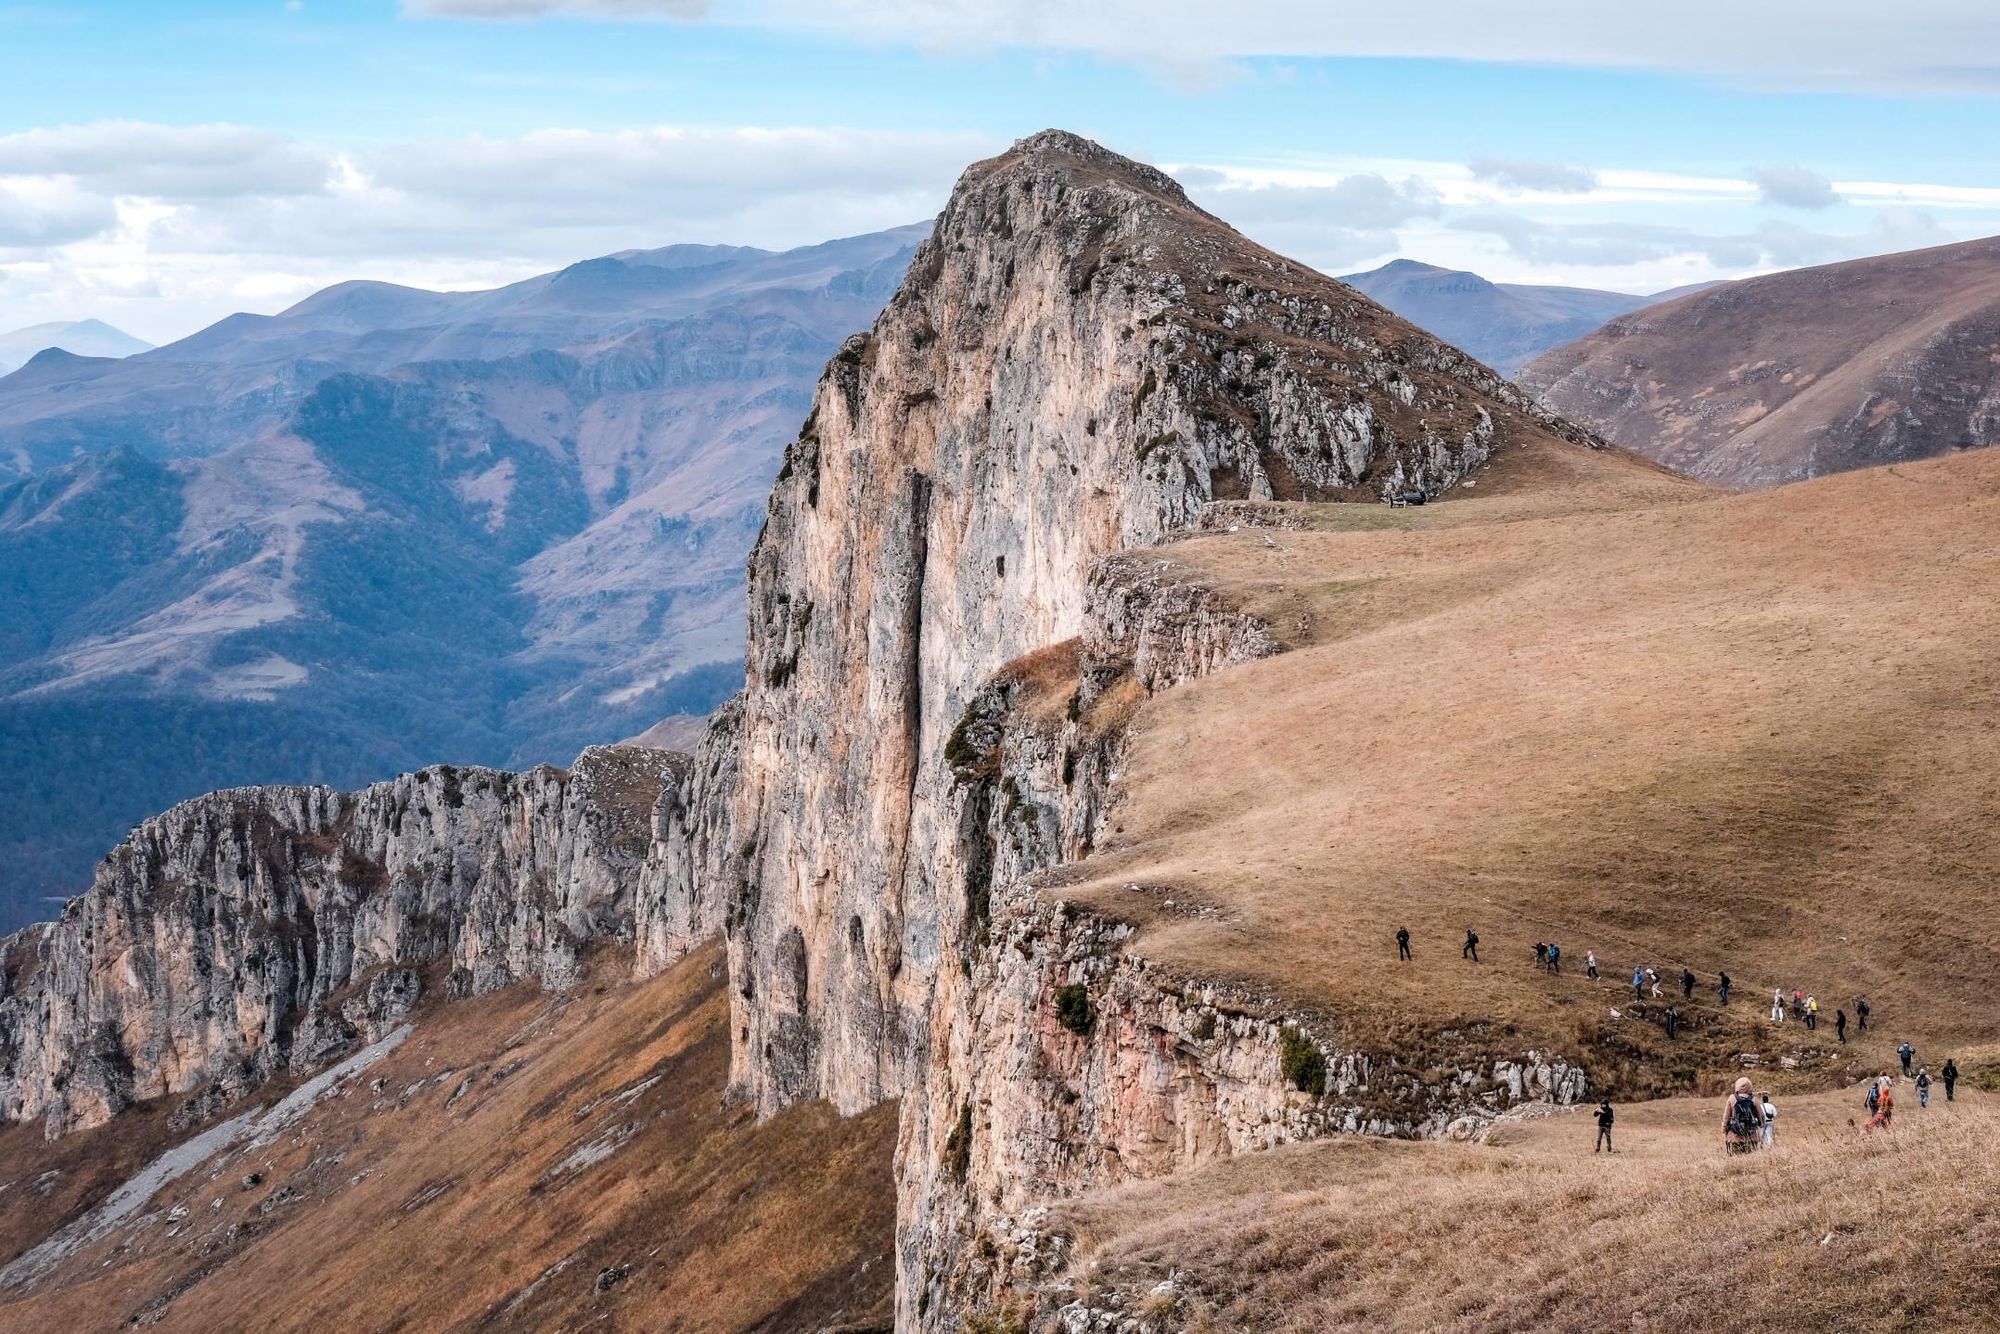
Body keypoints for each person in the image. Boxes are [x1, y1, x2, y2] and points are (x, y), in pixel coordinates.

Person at [1724, 1077, 1763, 1153]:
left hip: (1735, 1135)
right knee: (1751, 1157)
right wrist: (1761, 1124)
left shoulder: (1732, 1098)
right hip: (1751, 1135)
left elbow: (1726, 1117)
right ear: (1750, 1086)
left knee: (1737, 1157)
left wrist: (1724, 1129)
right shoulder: (1754, 1099)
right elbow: (1761, 1116)